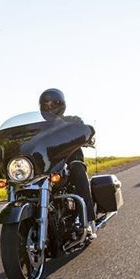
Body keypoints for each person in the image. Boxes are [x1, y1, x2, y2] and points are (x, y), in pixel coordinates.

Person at [38, 88, 97, 238]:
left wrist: (87, 138)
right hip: (47, 164)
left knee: (78, 170)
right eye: (45, 105)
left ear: (61, 105)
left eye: (52, 105)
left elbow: (83, 132)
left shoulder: (73, 121)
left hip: (70, 159)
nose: (49, 108)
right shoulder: (37, 127)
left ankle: (87, 220)